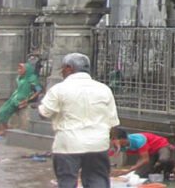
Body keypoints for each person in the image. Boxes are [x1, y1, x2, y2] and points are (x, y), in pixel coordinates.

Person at [38, 52, 120, 188]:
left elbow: (44, 113)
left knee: (67, 181)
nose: (62, 72)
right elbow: (112, 120)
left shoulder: (58, 89)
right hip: (97, 144)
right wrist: (114, 139)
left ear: (69, 68)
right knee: (98, 180)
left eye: (62, 69)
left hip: (68, 144)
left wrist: (42, 103)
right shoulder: (103, 89)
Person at [0, 58, 44, 139]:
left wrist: (28, 100)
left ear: (26, 70)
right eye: (18, 68)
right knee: (1, 111)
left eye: (21, 68)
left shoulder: (32, 78)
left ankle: (5, 130)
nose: (19, 70)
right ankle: (4, 129)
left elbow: (38, 91)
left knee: (5, 111)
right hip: (14, 98)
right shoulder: (20, 78)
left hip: (21, 100)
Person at [110, 129, 175, 180]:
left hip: (161, 146)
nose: (113, 141)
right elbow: (109, 154)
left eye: (114, 139)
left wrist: (129, 170)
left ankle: (169, 171)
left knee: (164, 159)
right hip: (150, 152)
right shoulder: (121, 146)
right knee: (140, 174)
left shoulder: (139, 140)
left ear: (122, 139)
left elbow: (145, 159)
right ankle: (156, 170)